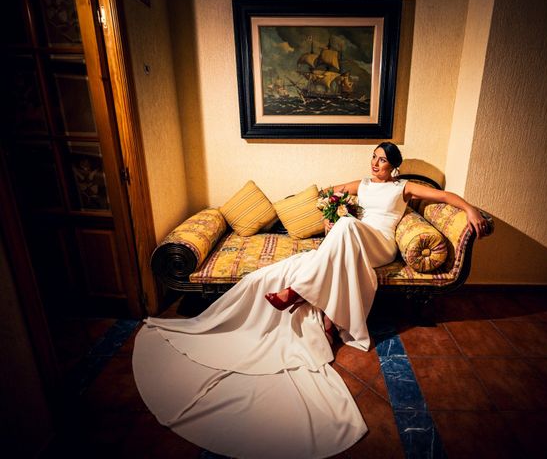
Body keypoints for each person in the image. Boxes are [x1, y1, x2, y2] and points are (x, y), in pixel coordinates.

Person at [132, 142, 488, 458]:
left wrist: (470, 210)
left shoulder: (403, 187)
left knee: (348, 228)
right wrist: (334, 209)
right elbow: (327, 193)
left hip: (380, 243)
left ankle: (299, 291)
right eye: (374, 158)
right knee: (345, 228)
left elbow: (444, 198)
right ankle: (310, 294)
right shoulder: (361, 184)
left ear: (394, 166)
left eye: (382, 160)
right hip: (353, 241)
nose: (375, 164)